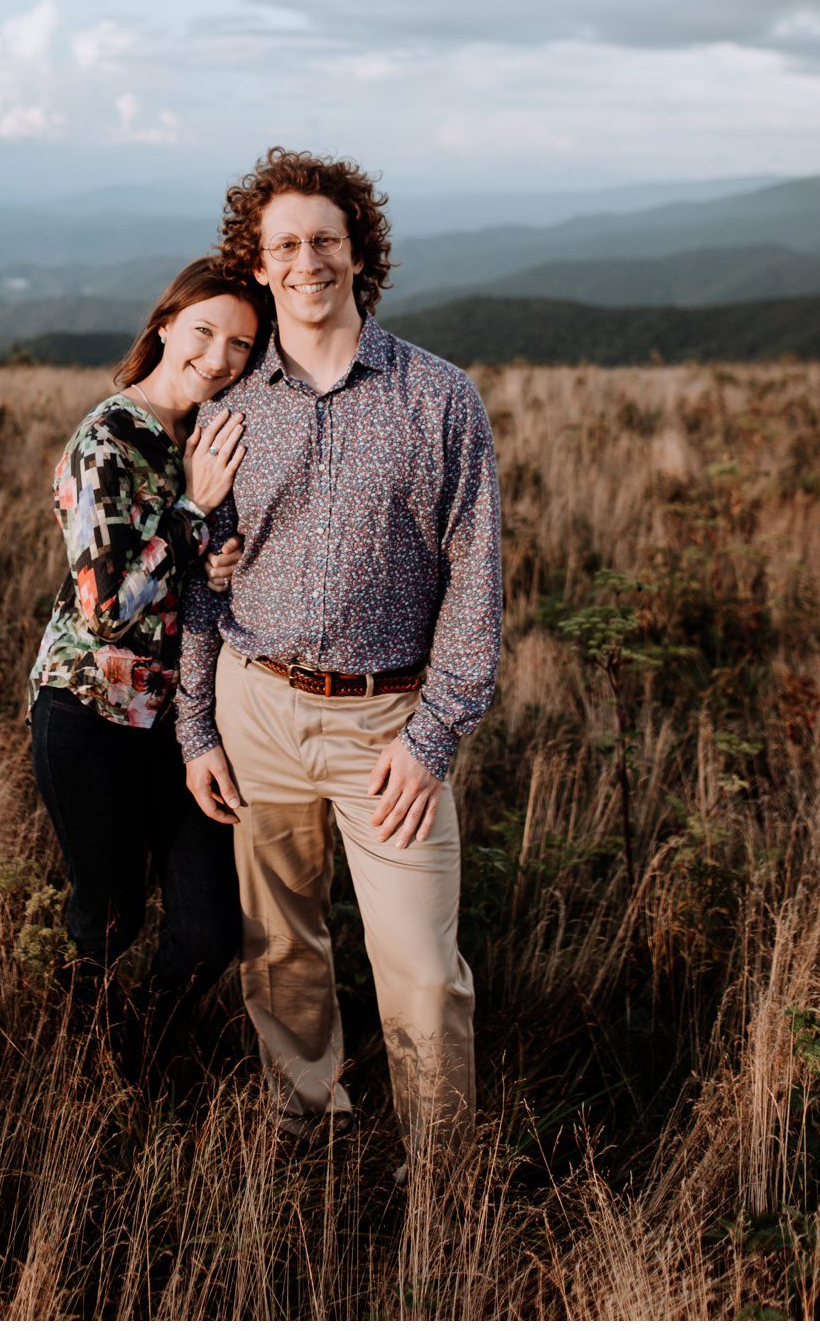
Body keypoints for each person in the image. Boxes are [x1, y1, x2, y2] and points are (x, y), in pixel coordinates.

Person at [176, 149, 502, 1171]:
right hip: (257, 707)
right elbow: (203, 579)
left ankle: (440, 1166)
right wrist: (195, 726)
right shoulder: (228, 412)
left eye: (324, 238)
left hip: (387, 727)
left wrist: (434, 734)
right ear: (260, 269)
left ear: (359, 251)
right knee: (281, 945)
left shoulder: (439, 399)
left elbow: (476, 580)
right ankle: (303, 1116)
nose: (306, 258)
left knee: (417, 963)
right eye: (284, 245)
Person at [28, 257, 263, 1080]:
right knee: (113, 911)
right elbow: (107, 608)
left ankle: (145, 1046)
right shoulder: (109, 440)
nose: (219, 356)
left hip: (179, 723)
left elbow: (188, 567)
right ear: (166, 324)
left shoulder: (203, 431)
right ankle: (80, 1057)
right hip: (88, 715)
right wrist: (194, 512)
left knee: (208, 930)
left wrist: (217, 556)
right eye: (204, 331)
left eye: (241, 343)